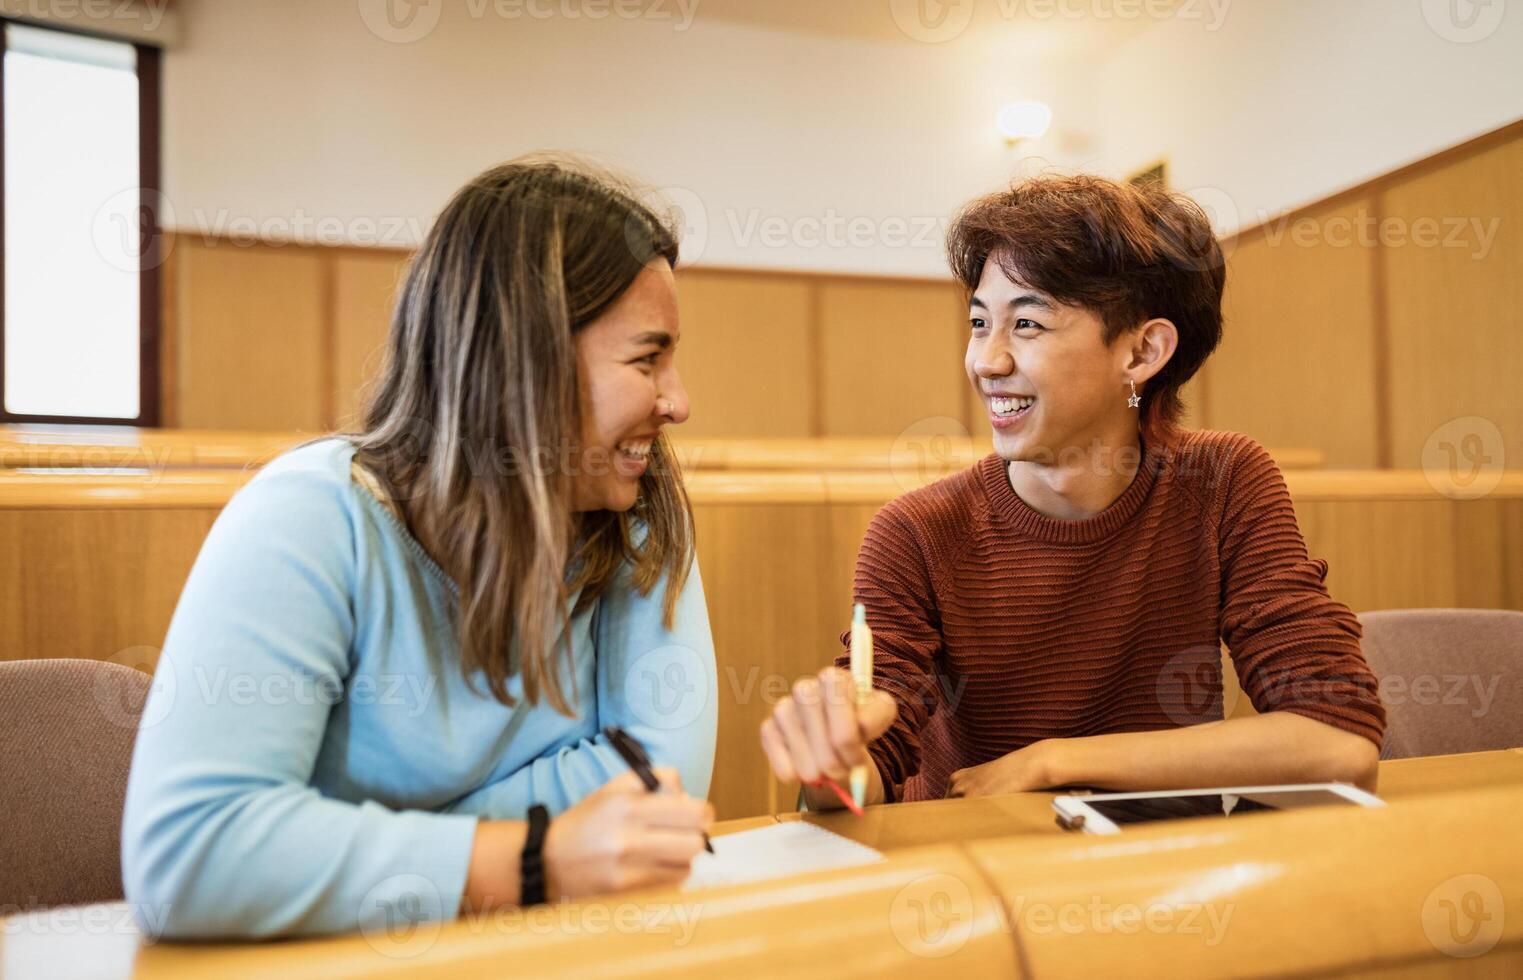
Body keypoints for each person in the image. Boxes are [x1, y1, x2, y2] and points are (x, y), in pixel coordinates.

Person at [122, 159, 717, 938]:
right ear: (522, 359)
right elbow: (190, 854)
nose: (678, 401)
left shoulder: (634, 511)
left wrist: (328, 832)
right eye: (647, 360)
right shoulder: (309, 516)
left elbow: (657, 794)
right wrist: (537, 857)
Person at [759, 174, 1386, 808]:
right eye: (980, 323)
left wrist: (1055, 762)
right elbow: (860, 777)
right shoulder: (917, 532)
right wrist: (830, 759)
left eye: (1026, 323)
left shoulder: (1222, 483)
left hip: (1169, 878)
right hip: (984, 877)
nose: (986, 360)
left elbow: (1340, 740)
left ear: (1142, 352)